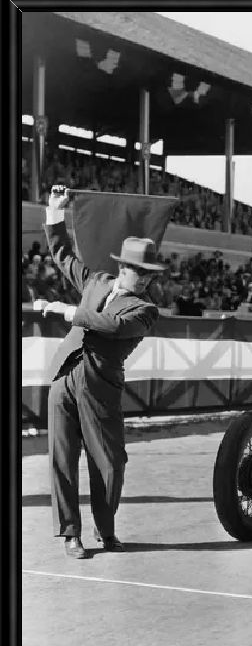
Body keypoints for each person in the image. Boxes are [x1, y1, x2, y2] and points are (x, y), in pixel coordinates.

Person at [41, 185, 165, 559]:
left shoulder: (145, 310)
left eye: (149, 274)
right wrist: (54, 212)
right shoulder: (95, 281)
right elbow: (63, 256)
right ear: (122, 268)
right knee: (62, 458)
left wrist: (67, 311)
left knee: (110, 464)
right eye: (140, 272)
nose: (146, 279)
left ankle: (105, 529)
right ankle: (70, 534)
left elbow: (111, 326)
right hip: (64, 377)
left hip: (100, 387)